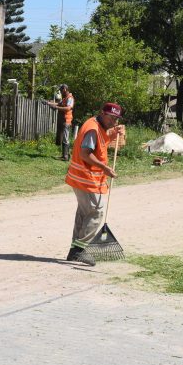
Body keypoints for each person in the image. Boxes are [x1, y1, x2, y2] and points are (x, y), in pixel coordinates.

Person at [64, 102, 125, 266]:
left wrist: (114, 134)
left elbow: (102, 141)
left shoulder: (97, 125)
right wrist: (104, 168)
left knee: (84, 213)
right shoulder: (92, 129)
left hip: (82, 178)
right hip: (86, 179)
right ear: (103, 113)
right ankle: (79, 250)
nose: (114, 122)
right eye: (112, 118)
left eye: (116, 119)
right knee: (96, 212)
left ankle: (74, 250)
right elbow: (85, 154)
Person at [47, 84, 74, 161]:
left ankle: (66, 156)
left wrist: (56, 107)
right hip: (63, 120)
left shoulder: (70, 98)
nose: (61, 92)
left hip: (66, 120)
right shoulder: (65, 98)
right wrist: (48, 103)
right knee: (63, 138)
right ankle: (63, 155)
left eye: (61, 90)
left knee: (65, 138)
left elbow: (68, 108)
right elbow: (58, 104)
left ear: (65, 89)